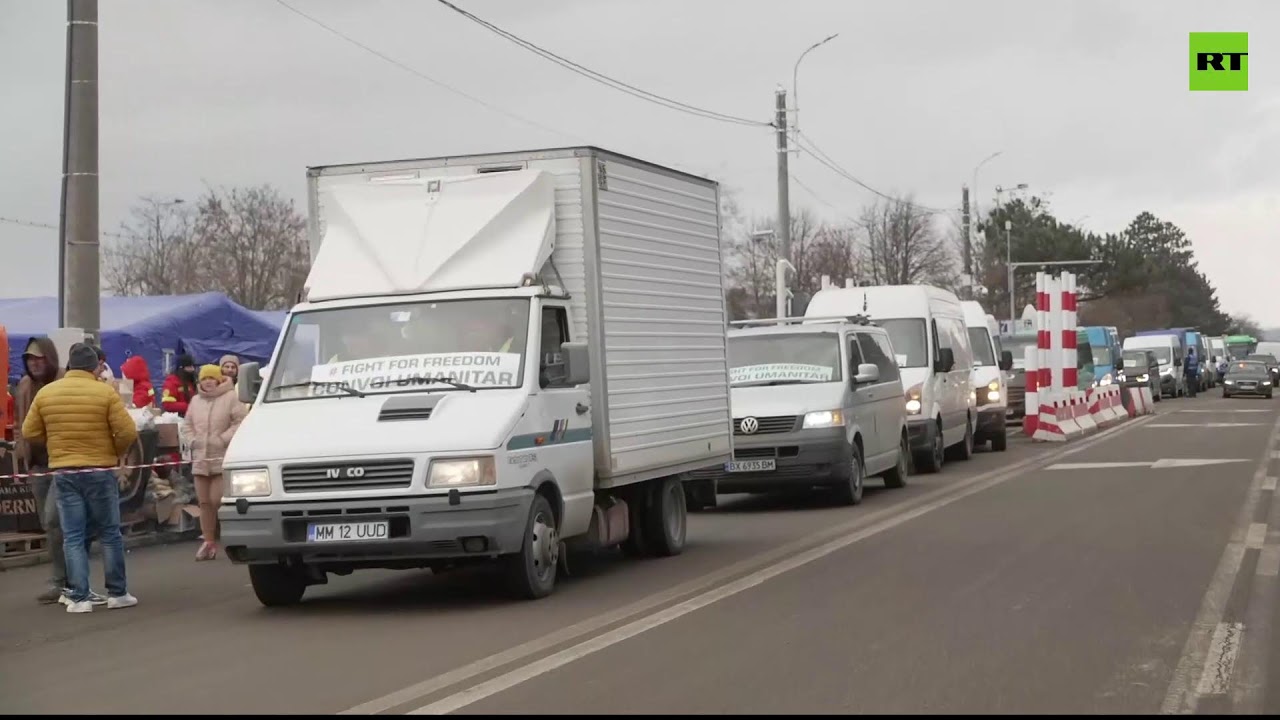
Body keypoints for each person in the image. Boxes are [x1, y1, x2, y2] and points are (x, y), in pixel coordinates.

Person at [21, 342, 139, 613]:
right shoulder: (105, 392)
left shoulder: (48, 393)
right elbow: (128, 432)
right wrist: (114, 451)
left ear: (71, 365)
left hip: (64, 471)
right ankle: (117, 593)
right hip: (99, 470)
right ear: (93, 366)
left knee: (72, 535)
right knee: (110, 533)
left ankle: (79, 598)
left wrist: (55, 448)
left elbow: (29, 431)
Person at [11, 338, 99, 605]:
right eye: (30, 359)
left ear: (50, 358)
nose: (34, 363)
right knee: (51, 526)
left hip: (65, 463)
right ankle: (65, 580)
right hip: (37, 465)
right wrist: (20, 456)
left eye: (39, 358)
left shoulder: (65, 381)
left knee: (56, 520)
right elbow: (20, 424)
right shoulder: (24, 386)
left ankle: (68, 581)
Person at [183, 365, 247, 561]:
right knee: (203, 502)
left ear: (219, 380)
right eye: (204, 378)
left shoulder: (230, 398)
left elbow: (240, 421)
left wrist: (222, 439)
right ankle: (208, 542)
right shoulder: (195, 400)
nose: (208, 382)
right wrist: (192, 440)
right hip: (201, 459)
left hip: (223, 457)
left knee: (217, 499)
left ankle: (232, 538)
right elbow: (186, 425)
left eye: (212, 378)